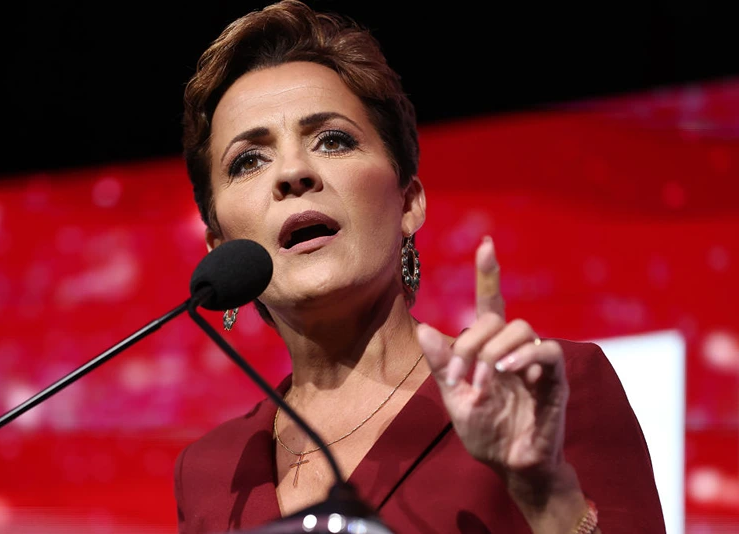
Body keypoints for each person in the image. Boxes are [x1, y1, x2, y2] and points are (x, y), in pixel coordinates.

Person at [173, 1, 666, 532]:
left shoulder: (546, 392)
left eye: (333, 140)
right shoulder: (211, 471)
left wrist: (547, 495)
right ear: (218, 245)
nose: (293, 172)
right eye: (248, 160)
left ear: (408, 203)